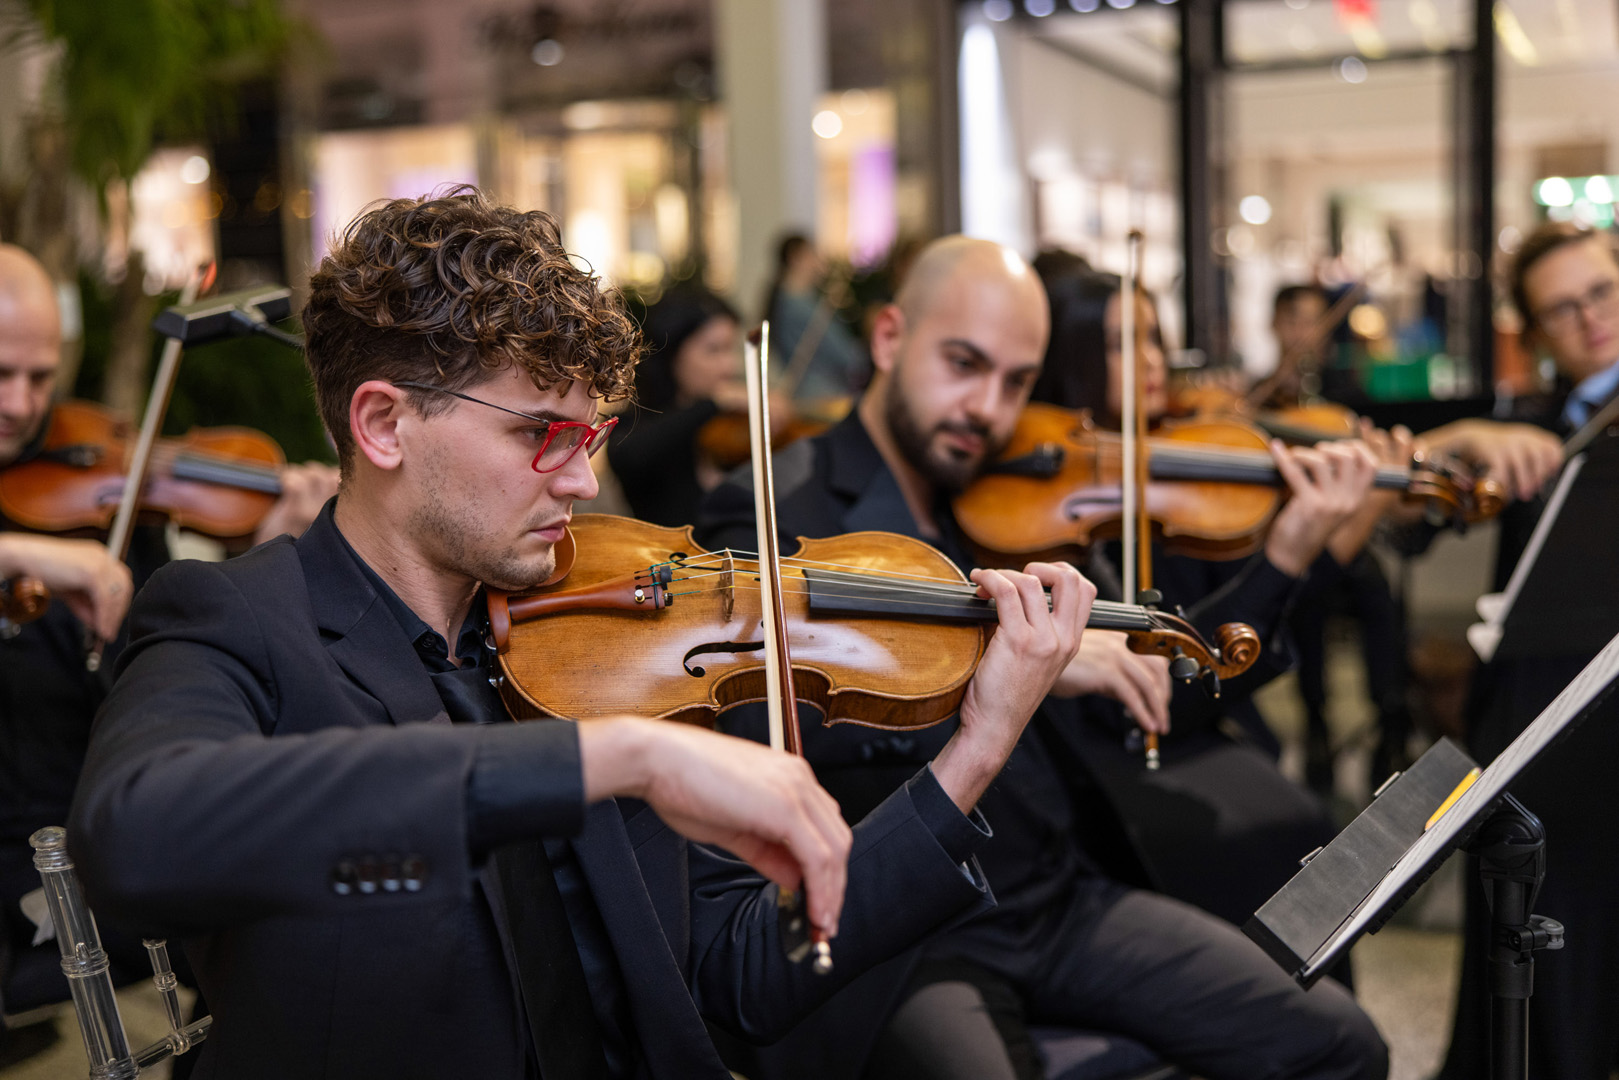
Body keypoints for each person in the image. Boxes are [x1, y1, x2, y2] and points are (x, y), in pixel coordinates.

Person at [67, 190, 1095, 1080]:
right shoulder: (238, 622)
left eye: (590, 434)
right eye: (539, 434)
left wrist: (975, 751)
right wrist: (609, 758)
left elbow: (743, 975)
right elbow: (136, 837)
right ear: (383, 425)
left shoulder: (598, 637)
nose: (585, 480)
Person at [700, 236, 1388, 1080]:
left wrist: (1285, 554)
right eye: (962, 363)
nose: (986, 408)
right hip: (906, 934)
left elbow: (1161, 681)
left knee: (1338, 1043)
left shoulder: (1013, 504)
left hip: (1053, 899)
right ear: (888, 339)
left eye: (1016, 382)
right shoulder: (774, 506)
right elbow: (766, 734)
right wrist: (1000, 655)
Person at [0, 243, 335, 1026]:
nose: (19, 404)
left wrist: (269, 554)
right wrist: (19, 550)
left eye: (40, 376)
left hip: (95, 844)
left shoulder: (111, 483)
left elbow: (156, 657)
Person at [1439, 222, 1619, 1080]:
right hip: (1531, 715)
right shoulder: (1533, 428)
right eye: (1560, 310)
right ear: (1536, 335)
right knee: (1529, 913)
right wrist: (1471, 436)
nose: (1590, 319)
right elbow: (1402, 499)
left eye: (1601, 292)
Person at [606, 286, 749, 526]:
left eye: (731, 349)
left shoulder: (732, 425)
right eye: (714, 350)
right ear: (672, 352)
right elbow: (629, 457)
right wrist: (713, 404)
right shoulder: (637, 427)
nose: (730, 367)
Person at [762, 234, 867, 402]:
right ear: (796, 258)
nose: (818, 262)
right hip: (824, 396)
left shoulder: (782, 301)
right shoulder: (801, 306)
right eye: (813, 254)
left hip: (803, 393)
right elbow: (845, 355)